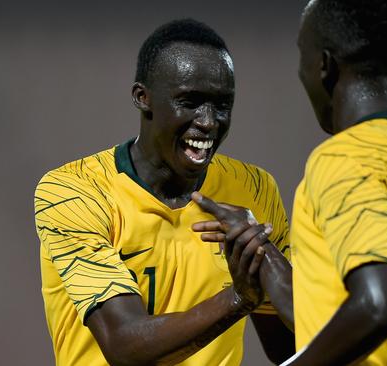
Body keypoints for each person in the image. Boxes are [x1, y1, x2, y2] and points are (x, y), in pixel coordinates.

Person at [192, 0, 387, 365]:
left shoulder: (347, 157)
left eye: (301, 55)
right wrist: (262, 252)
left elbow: (378, 306)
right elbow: (334, 323)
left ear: (324, 65)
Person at [33, 19, 294, 366]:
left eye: (222, 105)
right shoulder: (73, 191)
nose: (209, 122)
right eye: (190, 102)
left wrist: (268, 259)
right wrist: (238, 299)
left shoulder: (255, 189)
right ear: (143, 98)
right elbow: (125, 346)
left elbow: (289, 350)